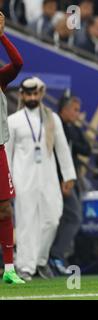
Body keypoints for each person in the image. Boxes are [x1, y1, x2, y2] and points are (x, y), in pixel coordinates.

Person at [6, 77, 76, 281]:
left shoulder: (52, 118)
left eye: (35, 94)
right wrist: (7, 184)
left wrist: (69, 175)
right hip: (23, 178)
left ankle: (40, 260)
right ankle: (25, 267)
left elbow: (62, 148)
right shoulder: (13, 121)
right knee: (26, 223)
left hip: (49, 177)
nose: (32, 97)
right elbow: (7, 154)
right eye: (28, 94)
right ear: (22, 95)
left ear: (41, 94)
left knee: (53, 219)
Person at [50, 95, 91, 275]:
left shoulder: (71, 129)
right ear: (64, 109)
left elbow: (86, 149)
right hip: (58, 180)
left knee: (63, 219)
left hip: (70, 178)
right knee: (72, 217)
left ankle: (55, 256)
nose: (77, 114)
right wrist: (62, 179)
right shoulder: (54, 125)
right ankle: (55, 256)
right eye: (74, 110)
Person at [0, 11, 25, 284]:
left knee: (5, 209)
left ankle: (8, 269)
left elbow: (18, 63)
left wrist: (2, 37)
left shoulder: (0, 80)